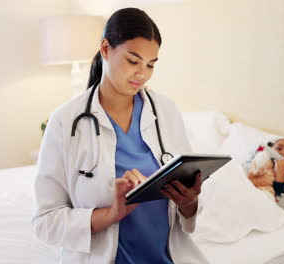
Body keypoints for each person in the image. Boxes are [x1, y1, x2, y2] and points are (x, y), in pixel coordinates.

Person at [31, 8, 208, 264]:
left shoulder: (166, 112)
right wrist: (111, 214)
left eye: (151, 65)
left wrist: (189, 202)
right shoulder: (65, 121)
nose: (143, 74)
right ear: (105, 49)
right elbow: (46, 221)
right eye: (133, 61)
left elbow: (188, 216)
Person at [246, 138, 284, 211]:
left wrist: (280, 178)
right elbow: (243, 180)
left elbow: (282, 210)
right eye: (279, 148)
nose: (282, 154)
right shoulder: (256, 163)